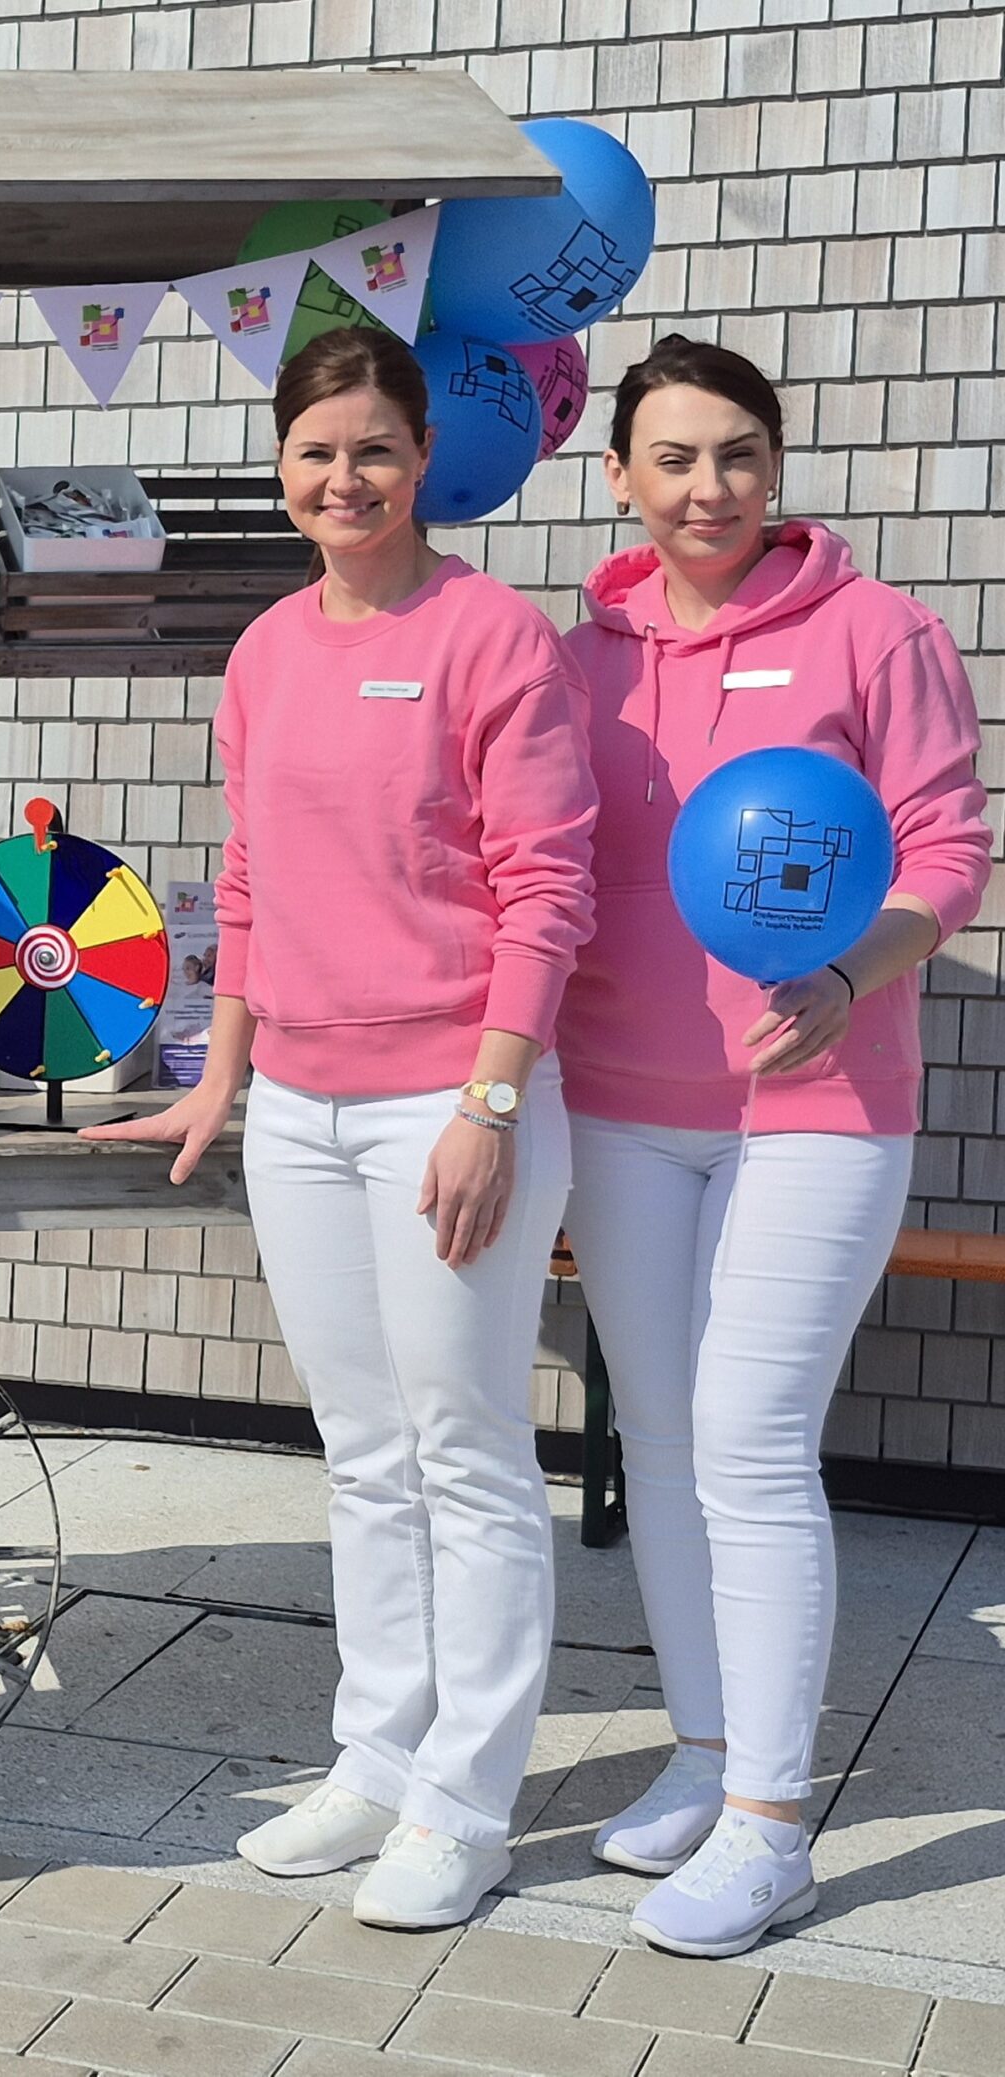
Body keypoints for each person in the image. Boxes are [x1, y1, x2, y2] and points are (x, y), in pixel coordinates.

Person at [84, 328, 600, 1928]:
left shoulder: (493, 637)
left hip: (452, 1099)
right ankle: (378, 1756)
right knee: (366, 1452)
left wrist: (491, 1103)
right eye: (316, 451)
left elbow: (549, 888)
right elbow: (248, 879)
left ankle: (467, 1800)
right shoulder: (265, 651)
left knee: (468, 1448)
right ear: (283, 468)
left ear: (424, 455)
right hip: (298, 1108)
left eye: (374, 447)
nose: (345, 477)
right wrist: (222, 1074)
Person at [557, 337, 991, 1958]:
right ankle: (707, 1746)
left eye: (739, 452)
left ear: (778, 465)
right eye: (674, 457)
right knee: (666, 1439)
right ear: (619, 477)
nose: (709, 486)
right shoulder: (581, 660)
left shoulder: (879, 633)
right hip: (621, 1104)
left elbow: (949, 852)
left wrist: (847, 975)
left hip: (817, 1104)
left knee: (748, 1438)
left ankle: (772, 1825)